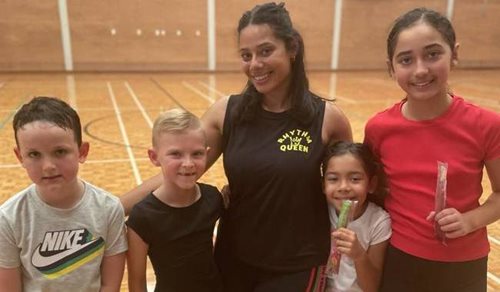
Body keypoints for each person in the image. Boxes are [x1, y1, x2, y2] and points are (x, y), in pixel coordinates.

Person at [120, 2, 352, 291]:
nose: (255, 64)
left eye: (266, 51)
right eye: (246, 55)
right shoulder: (226, 113)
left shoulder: (328, 119)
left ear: (292, 48)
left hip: (297, 263)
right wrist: (110, 209)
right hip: (234, 260)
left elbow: (350, 189)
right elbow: (177, 170)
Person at [364, 7, 500, 292]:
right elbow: (375, 194)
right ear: (391, 67)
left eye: (433, 54)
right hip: (399, 260)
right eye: (406, 60)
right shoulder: (378, 129)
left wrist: (469, 220)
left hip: (464, 264)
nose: (420, 70)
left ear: (455, 54)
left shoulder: (487, 125)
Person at [0, 96, 128, 292]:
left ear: (82, 151)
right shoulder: (8, 218)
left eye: (60, 151)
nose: (48, 166)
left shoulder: (109, 209)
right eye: (34, 154)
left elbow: (110, 285)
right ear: (20, 157)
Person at [126, 108, 224, 292]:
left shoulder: (213, 198)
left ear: (207, 153)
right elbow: (137, 282)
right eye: (176, 154)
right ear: (154, 157)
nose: (188, 163)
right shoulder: (142, 217)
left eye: (196, 154)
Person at [322, 141, 391, 292]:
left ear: (371, 184)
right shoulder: (320, 212)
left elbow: (371, 287)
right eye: (333, 179)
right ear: (323, 185)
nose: (344, 187)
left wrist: (358, 254)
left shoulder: (379, 222)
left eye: (355, 179)